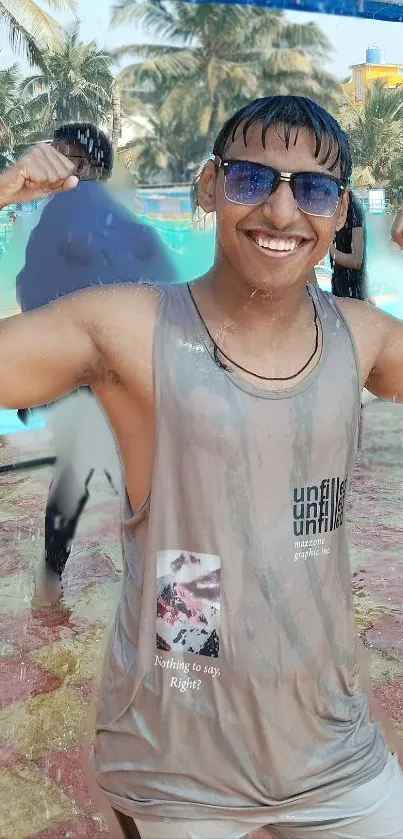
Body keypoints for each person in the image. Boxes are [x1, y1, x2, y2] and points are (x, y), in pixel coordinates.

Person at [1, 96, 403, 839]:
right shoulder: (127, 326)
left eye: (311, 189)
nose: (282, 211)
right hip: (175, 767)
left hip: (335, 753)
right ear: (209, 184)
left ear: (338, 208)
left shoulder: (363, 339)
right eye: (253, 178)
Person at [15, 123, 177, 602]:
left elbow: (33, 291)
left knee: (73, 476)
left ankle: (48, 585)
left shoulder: (61, 210)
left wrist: (38, 377)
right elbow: (167, 292)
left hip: (86, 374)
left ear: (79, 165)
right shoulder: (129, 221)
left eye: (57, 156)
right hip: (140, 373)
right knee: (154, 487)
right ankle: (179, 620)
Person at [329, 190, 368, 300]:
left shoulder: (353, 209)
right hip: (340, 283)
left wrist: (330, 249)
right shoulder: (337, 204)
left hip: (352, 288)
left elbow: (356, 261)